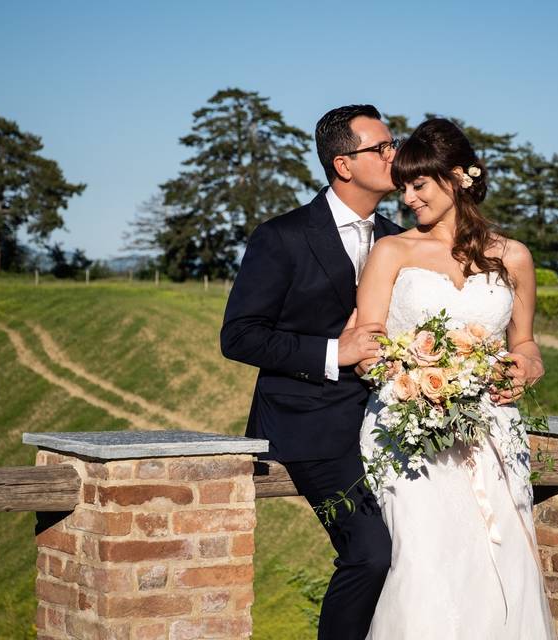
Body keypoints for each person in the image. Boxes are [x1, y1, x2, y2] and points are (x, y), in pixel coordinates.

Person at [355, 118, 558, 638]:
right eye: (401, 187)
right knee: (427, 561)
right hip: (407, 428)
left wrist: (528, 369)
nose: (407, 199)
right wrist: (415, 376)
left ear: (456, 177)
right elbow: (367, 344)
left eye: (417, 184)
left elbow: (525, 343)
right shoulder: (392, 252)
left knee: (502, 560)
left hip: (491, 427)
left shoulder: (513, 257)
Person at [220, 104, 405, 640]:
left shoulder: (401, 239)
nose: (395, 155)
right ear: (344, 164)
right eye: (382, 148)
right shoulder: (282, 236)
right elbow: (239, 336)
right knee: (371, 552)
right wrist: (334, 352)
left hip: (397, 423)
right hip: (310, 426)